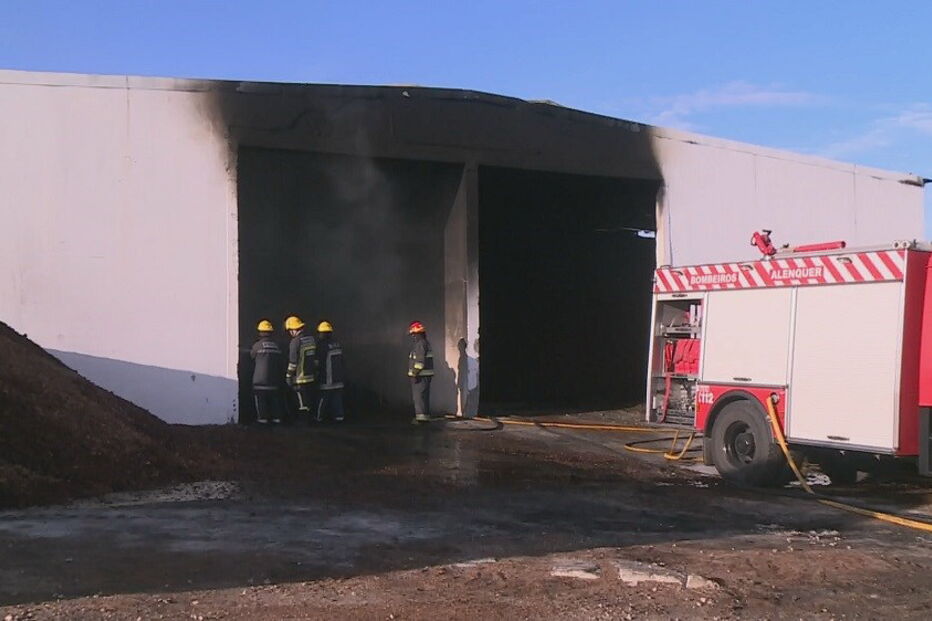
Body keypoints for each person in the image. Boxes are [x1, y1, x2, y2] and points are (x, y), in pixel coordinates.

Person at [250, 319, 284, 424]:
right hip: (274, 381)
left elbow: (251, 357)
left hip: (259, 381)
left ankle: (262, 421)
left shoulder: (257, 346)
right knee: (274, 401)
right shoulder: (277, 346)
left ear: (260, 332)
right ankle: (276, 419)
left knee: (261, 402)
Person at [284, 315, 317, 421]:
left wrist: (288, 376)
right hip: (311, 376)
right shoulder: (311, 339)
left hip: (300, 378)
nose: (290, 333)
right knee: (309, 401)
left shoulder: (295, 342)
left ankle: (303, 425)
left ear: (294, 330)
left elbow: (293, 362)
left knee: (301, 402)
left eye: (290, 330)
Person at [315, 320, 345, 423]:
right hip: (339, 379)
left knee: (323, 399)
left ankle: (318, 418)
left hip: (327, 380)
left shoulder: (321, 346)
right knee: (337, 400)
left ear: (321, 333)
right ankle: (339, 418)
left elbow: (318, 363)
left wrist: (316, 374)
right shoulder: (337, 344)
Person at [407, 321, 435, 423]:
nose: (413, 336)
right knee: (423, 397)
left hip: (420, 377)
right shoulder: (424, 343)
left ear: (418, 333)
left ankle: (421, 420)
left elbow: (420, 362)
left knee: (419, 398)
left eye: (414, 334)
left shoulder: (420, 344)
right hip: (423, 376)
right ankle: (424, 418)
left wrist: (414, 373)